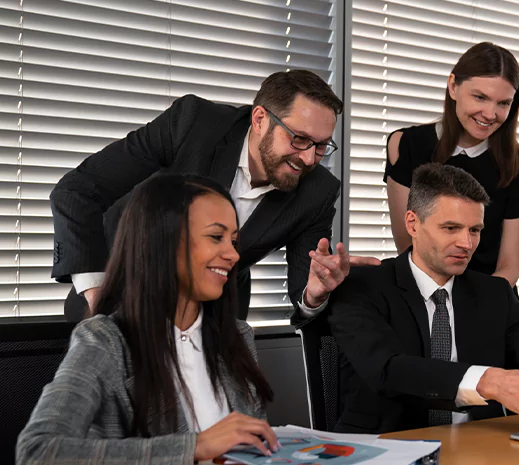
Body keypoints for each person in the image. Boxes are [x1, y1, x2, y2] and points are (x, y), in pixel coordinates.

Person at [50, 70, 378, 322]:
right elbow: (77, 192)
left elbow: (303, 291)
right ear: (260, 119)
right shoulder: (193, 124)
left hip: (213, 325)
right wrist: (99, 298)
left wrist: (316, 295)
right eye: (299, 139)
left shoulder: (318, 191)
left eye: (321, 146)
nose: (309, 158)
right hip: (119, 297)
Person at [18, 174, 279, 464]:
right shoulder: (104, 342)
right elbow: (38, 452)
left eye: (233, 240)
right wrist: (194, 446)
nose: (232, 254)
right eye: (216, 237)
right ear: (162, 241)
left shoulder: (238, 335)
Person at [323, 163, 519, 434]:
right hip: (388, 446)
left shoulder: (495, 294)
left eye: (474, 230)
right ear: (413, 224)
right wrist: (487, 381)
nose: (466, 244)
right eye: (451, 228)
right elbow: (387, 369)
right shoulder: (363, 285)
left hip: (476, 447)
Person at [384, 42, 519, 288]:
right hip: (423, 295)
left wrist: (474, 307)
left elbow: (510, 267)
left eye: (503, 103)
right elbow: (408, 247)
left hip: (490, 299)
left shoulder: (518, 168)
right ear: (453, 86)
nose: (490, 113)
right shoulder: (405, 145)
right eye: (480, 97)